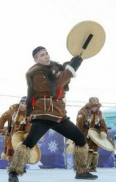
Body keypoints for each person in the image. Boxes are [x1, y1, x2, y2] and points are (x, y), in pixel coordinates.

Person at [7, 46, 98, 182]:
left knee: (80, 138)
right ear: (36, 59)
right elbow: (53, 87)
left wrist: (72, 64)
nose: (46, 56)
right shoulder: (35, 73)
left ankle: (81, 171)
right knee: (29, 143)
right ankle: (14, 172)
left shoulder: (55, 69)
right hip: (43, 114)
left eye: (46, 53)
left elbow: (64, 81)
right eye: (42, 55)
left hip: (59, 115)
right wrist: (70, 69)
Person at [76, 97, 108, 172]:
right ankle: (85, 167)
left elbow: (102, 124)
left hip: (95, 135)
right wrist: (84, 133)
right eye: (93, 106)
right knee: (86, 150)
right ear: (90, 105)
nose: (94, 108)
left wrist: (103, 131)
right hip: (85, 135)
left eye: (96, 106)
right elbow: (79, 125)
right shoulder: (83, 111)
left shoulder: (99, 113)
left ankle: (93, 167)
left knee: (95, 151)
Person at [0, 96, 31, 162]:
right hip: (10, 135)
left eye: (25, 104)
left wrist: (26, 134)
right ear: (19, 103)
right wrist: (0, 129)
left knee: (20, 153)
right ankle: (12, 167)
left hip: (20, 137)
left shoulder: (28, 114)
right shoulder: (11, 111)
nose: (23, 105)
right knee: (10, 154)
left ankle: (20, 167)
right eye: (22, 103)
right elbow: (2, 119)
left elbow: (29, 125)